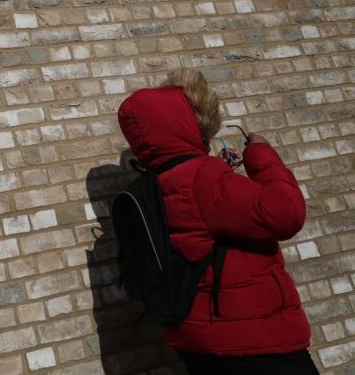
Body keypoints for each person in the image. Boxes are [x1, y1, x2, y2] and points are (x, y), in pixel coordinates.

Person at [116, 70, 317, 374]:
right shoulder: (204, 178)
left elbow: (203, 222)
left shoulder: (155, 184)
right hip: (252, 340)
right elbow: (286, 212)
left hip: (196, 338)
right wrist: (261, 154)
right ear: (187, 120)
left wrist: (219, 171)